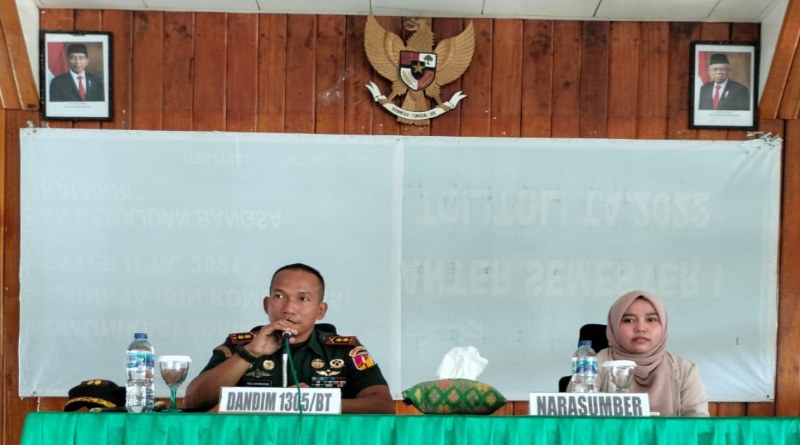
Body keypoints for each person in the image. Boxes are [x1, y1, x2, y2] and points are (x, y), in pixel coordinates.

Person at [183, 263, 394, 413]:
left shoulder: (344, 350)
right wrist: (249, 353)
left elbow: (383, 405)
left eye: (303, 298)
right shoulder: (241, 345)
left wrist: (316, 402)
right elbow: (193, 401)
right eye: (279, 296)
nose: (289, 308)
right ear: (267, 305)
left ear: (320, 311)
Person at [596, 290, 709, 417]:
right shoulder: (594, 366)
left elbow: (698, 424)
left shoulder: (684, 370)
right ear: (614, 325)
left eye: (651, 319)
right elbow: (579, 422)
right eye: (629, 320)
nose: (641, 328)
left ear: (664, 325)